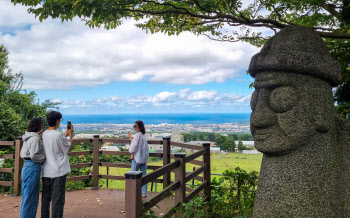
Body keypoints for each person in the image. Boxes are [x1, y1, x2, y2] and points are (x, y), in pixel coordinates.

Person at [41, 111, 73, 218]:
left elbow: (54, 141)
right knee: (58, 199)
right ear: (57, 121)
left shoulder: (44, 134)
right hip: (58, 171)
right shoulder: (58, 135)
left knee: (46, 198)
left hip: (47, 171)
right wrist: (71, 135)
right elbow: (66, 148)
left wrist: (66, 134)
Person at [20, 117, 45, 218]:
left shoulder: (27, 137)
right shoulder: (35, 138)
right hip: (33, 166)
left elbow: (23, 154)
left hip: (26, 166)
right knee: (31, 198)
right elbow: (34, 155)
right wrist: (44, 158)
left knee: (26, 197)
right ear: (39, 126)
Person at [129, 120, 149, 197]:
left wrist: (131, 152)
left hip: (137, 158)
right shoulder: (143, 135)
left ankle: (133, 192)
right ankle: (143, 192)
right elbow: (137, 144)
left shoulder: (137, 135)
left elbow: (134, 146)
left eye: (135, 126)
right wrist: (131, 139)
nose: (134, 127)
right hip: (143, 158)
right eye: (133, 126)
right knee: (144, 175)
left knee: (133, 175)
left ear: (139, 127)